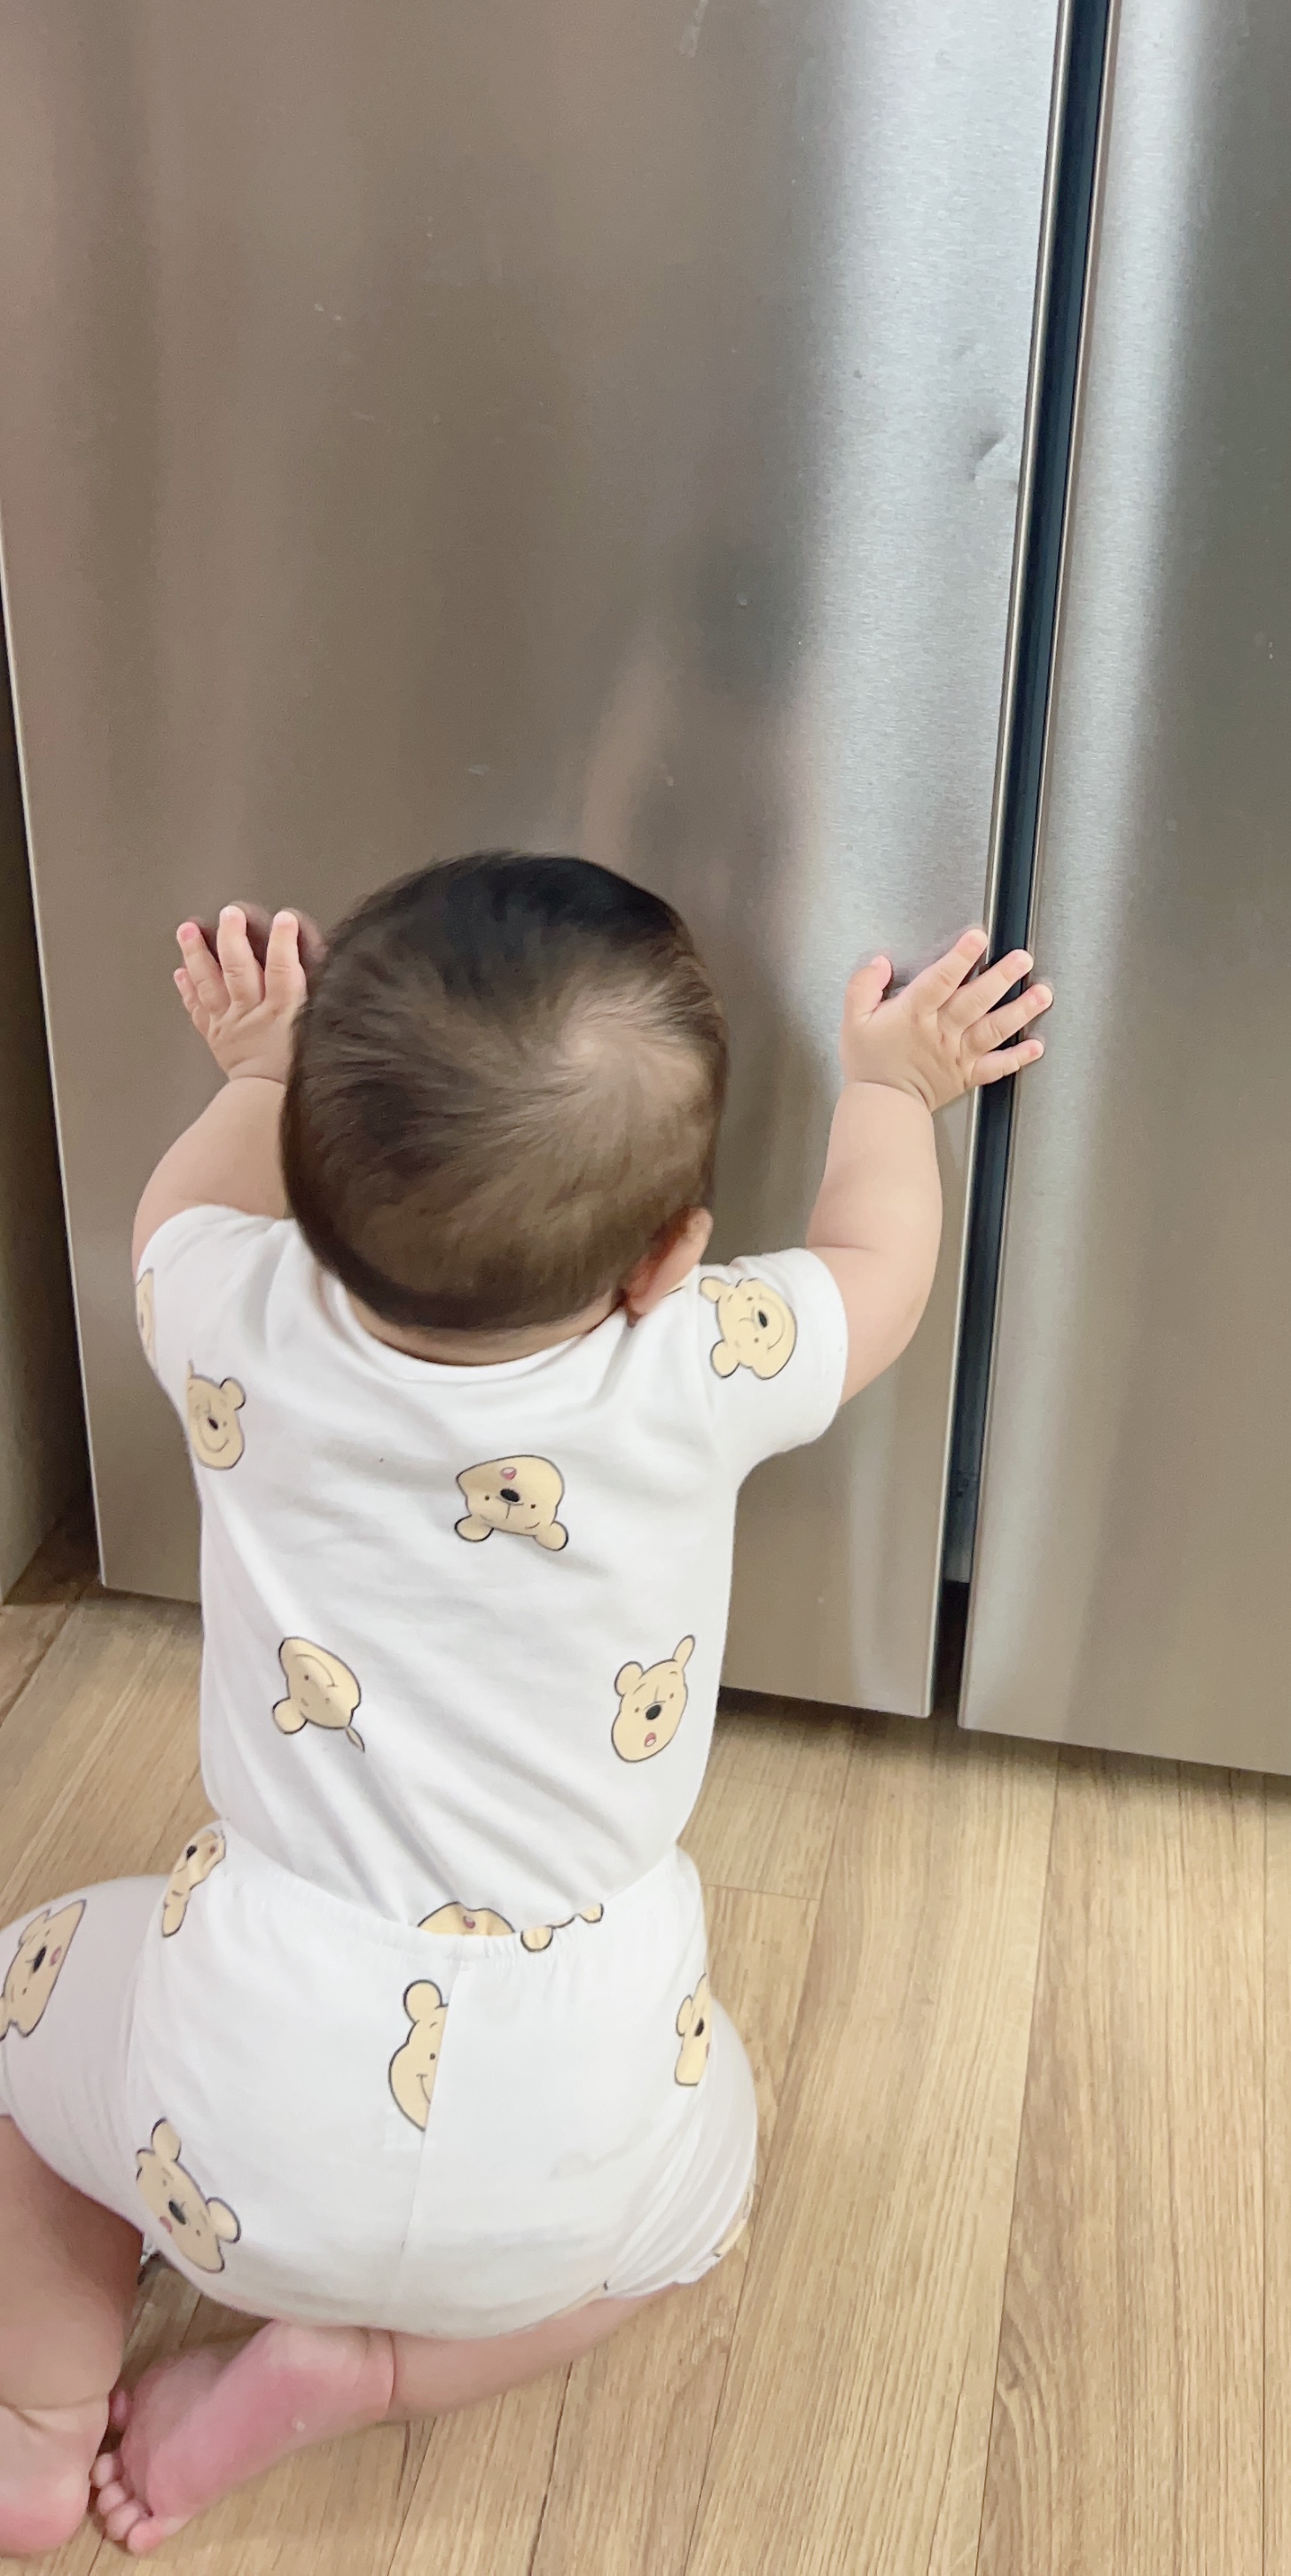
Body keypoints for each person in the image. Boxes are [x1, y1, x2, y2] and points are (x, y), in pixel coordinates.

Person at [0, 854, 1048, 2555]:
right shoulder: (700, 1360)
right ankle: (372, 2372)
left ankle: (41, 2420)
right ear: (672, 1256)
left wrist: (262, 1069)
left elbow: (181, 1207)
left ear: (306, 1201)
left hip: (234, 2099)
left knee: (27, 2019)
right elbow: (875, 1260)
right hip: (568, 2153)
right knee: (699, 2193)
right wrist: (890, 1089)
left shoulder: (219, 1308)